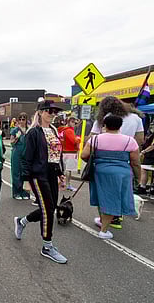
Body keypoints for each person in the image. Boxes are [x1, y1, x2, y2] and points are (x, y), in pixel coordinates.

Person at [14, 100, 67, 264]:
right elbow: (26, 158)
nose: (52, 114)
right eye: (49, 111)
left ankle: (22, 221)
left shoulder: (53, 130)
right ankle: (47, 246)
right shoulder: (34, 132)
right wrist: (27, 179)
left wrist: (60, 173)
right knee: (48, 209)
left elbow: (55, 155)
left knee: (49, 208)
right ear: (41, 112)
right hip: (38, 175)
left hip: (51, 173)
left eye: (54, 112)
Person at [81, 115, 140, 239]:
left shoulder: (95, 139)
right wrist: (138, 176)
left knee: (101, 196)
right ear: (120, 126)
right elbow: (135, 162)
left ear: (105, 126)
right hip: (121, 174)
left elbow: (84, 155)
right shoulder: (130, 141)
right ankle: (104, 230)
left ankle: (103, 221)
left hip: (99, 172)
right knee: (113, 199)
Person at [89, 96, 144, 229]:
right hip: (124, 162)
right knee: (120, 191)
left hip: (102, 162)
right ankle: (116, 217)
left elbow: (91, 139)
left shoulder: (103, 119)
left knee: (102, 192)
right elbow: (140, 139)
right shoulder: (136, 118)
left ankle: (104, 220)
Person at [10, 112, 30, 200]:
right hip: (17, 153)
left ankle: (25, 192)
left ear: (26, 120)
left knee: (25, 172)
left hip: (26, 153)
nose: (22, 121)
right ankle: (16, 192)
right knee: (16, 172)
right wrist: (16, 138)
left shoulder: (29, 130)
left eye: (23, 119)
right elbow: (11, 143)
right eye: (20, 119)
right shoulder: (15, 130)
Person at [58, 116, 81, 191]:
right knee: (69, 170)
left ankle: (62, 184)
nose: (74, 124)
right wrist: (78, 139)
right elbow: (74, 141)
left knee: (63, 169)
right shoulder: (69, 131)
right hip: (71, 152)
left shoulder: (62, 130)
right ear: (69, 122)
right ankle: (68, 185)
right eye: (73, 122)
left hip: (63, 152)